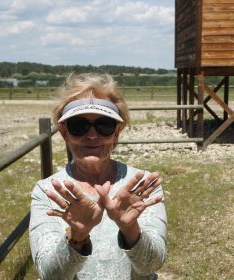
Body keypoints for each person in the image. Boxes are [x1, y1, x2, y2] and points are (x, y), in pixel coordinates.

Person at [29, 73, 167, 280]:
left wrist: (130, 228)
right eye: (79, 126)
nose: (92, 135)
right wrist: (77, 237)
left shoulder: (141, 185)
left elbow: (152, 265)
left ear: (116, 132)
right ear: (64, 133)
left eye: (104, 125)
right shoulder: (49, 191)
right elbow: (50, 275)